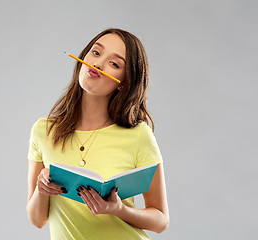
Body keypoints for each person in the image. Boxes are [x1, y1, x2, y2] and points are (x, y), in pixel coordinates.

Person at [26, 28, 169, 239]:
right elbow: (37, 220)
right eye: (95, 52)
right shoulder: (43, 131)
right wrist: (41, 189)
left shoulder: (139, 135)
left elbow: (160, 220)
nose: (98, 64)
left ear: (124, 84)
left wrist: (119, 210)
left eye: (114, 64)